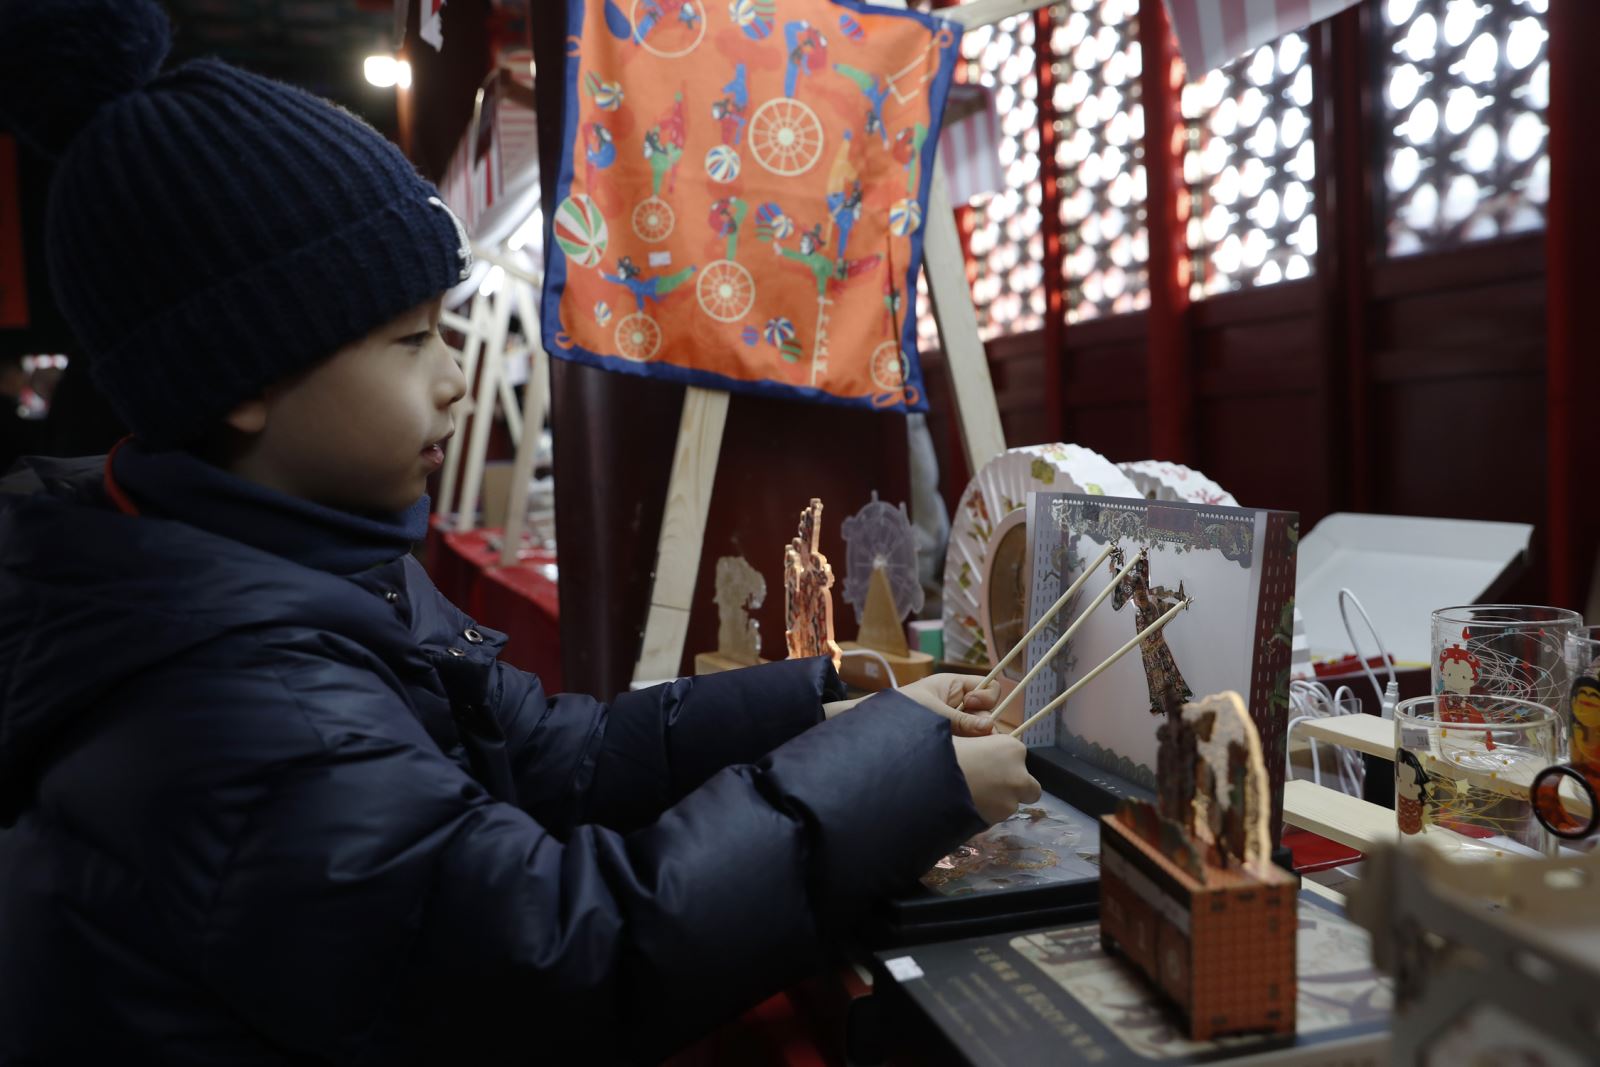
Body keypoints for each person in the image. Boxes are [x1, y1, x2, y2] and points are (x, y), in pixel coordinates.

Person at [0, 2, 1040, 1063]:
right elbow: (559, 953)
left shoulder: (288, 560)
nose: (456, 381)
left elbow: (556, 755)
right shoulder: (231, 707)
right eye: (412, 343)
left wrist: (827, 694)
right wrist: (914, 781)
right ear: (241, 378)